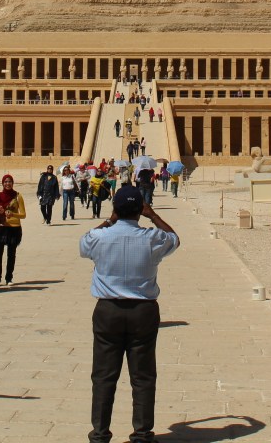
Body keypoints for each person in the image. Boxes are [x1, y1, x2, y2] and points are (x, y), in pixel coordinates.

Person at [80, 186, 179, 443]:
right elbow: (175, 238)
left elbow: (84, 243)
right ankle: (142, 435)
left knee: (103, 375)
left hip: (108, 310)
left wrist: (110, 220)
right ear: (140, 211)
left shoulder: (99, 237)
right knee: (143, 376)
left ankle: (100, 435)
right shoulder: (152, 238)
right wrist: (153, 216)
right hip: (143, 311)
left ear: (115, 210)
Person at [0, 175, 26, 286]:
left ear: (13, 183)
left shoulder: (17, 196)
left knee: (11, 254)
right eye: (6, 182)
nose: (8, 183)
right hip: (2, 227)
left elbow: (23, 215)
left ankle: (9, 278)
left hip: (14, 228)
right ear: (2, 183)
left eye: (10, 181)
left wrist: (13, 214)